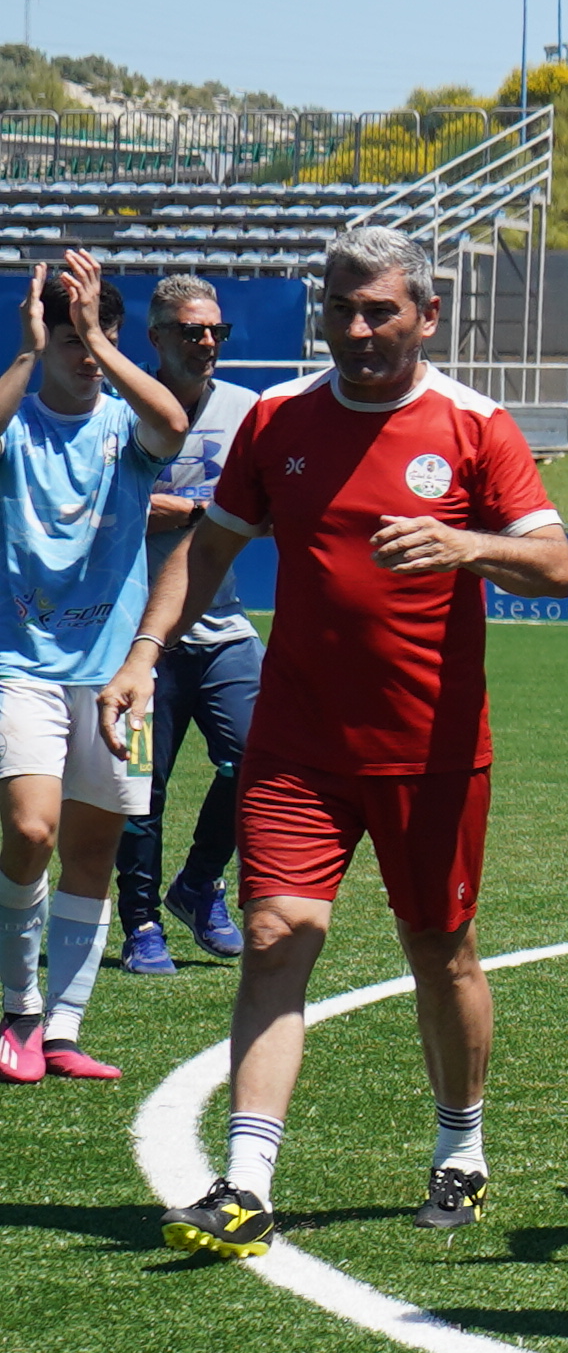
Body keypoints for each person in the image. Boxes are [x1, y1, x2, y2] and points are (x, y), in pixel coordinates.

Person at [143, 227, 568, 1251]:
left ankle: (461, 1148)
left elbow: (555, 562)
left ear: (427, 315)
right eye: (340, 307)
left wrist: (467, 543)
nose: (356, 327)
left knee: (442, 951)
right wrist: (145, 650)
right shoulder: (279, 418)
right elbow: (211, 546)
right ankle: (245, 1182)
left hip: (431, 750)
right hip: (298, 743)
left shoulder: (475, 426)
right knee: (273, 937)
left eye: (378, 308)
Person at [3, 252, 188, 1084]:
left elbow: (173, 425)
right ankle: (20, 1011)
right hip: (20, 665)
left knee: (94, 843)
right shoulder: (18, 420)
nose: (83, 351)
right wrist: (24, 352)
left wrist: (97, 342)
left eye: (100, 334)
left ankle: (66, 1027)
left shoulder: (125, 426)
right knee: (31, 827)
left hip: (119, 678)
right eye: (71, 336)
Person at [116, 274, 254, 978]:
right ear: (156, 338)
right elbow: (97, 510)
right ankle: (139, 924)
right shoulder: (119, 406)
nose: (207, 343)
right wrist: (193, 513)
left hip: (224, 624)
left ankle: (198, 885)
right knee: (141, 788)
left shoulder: (248, 410)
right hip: (132, 636)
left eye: (217, 332)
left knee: (258, 759)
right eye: (192, 331)